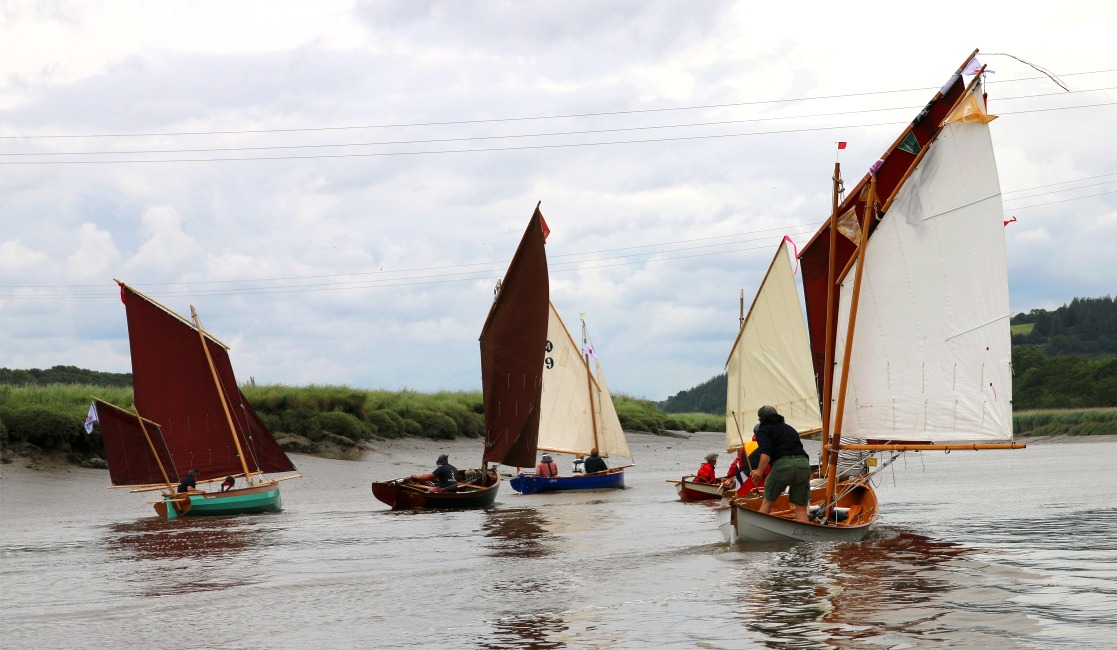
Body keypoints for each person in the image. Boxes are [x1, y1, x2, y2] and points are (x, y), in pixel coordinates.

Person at [750, 405, 811, 523]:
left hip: (783, 465)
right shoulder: (790, 428)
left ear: (761, 419)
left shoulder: (763, 430)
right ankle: (804, 536)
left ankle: (759, 529)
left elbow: (766, 455)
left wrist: (759, 472)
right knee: (801, 507)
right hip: (803, 464)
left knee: (768, 502)